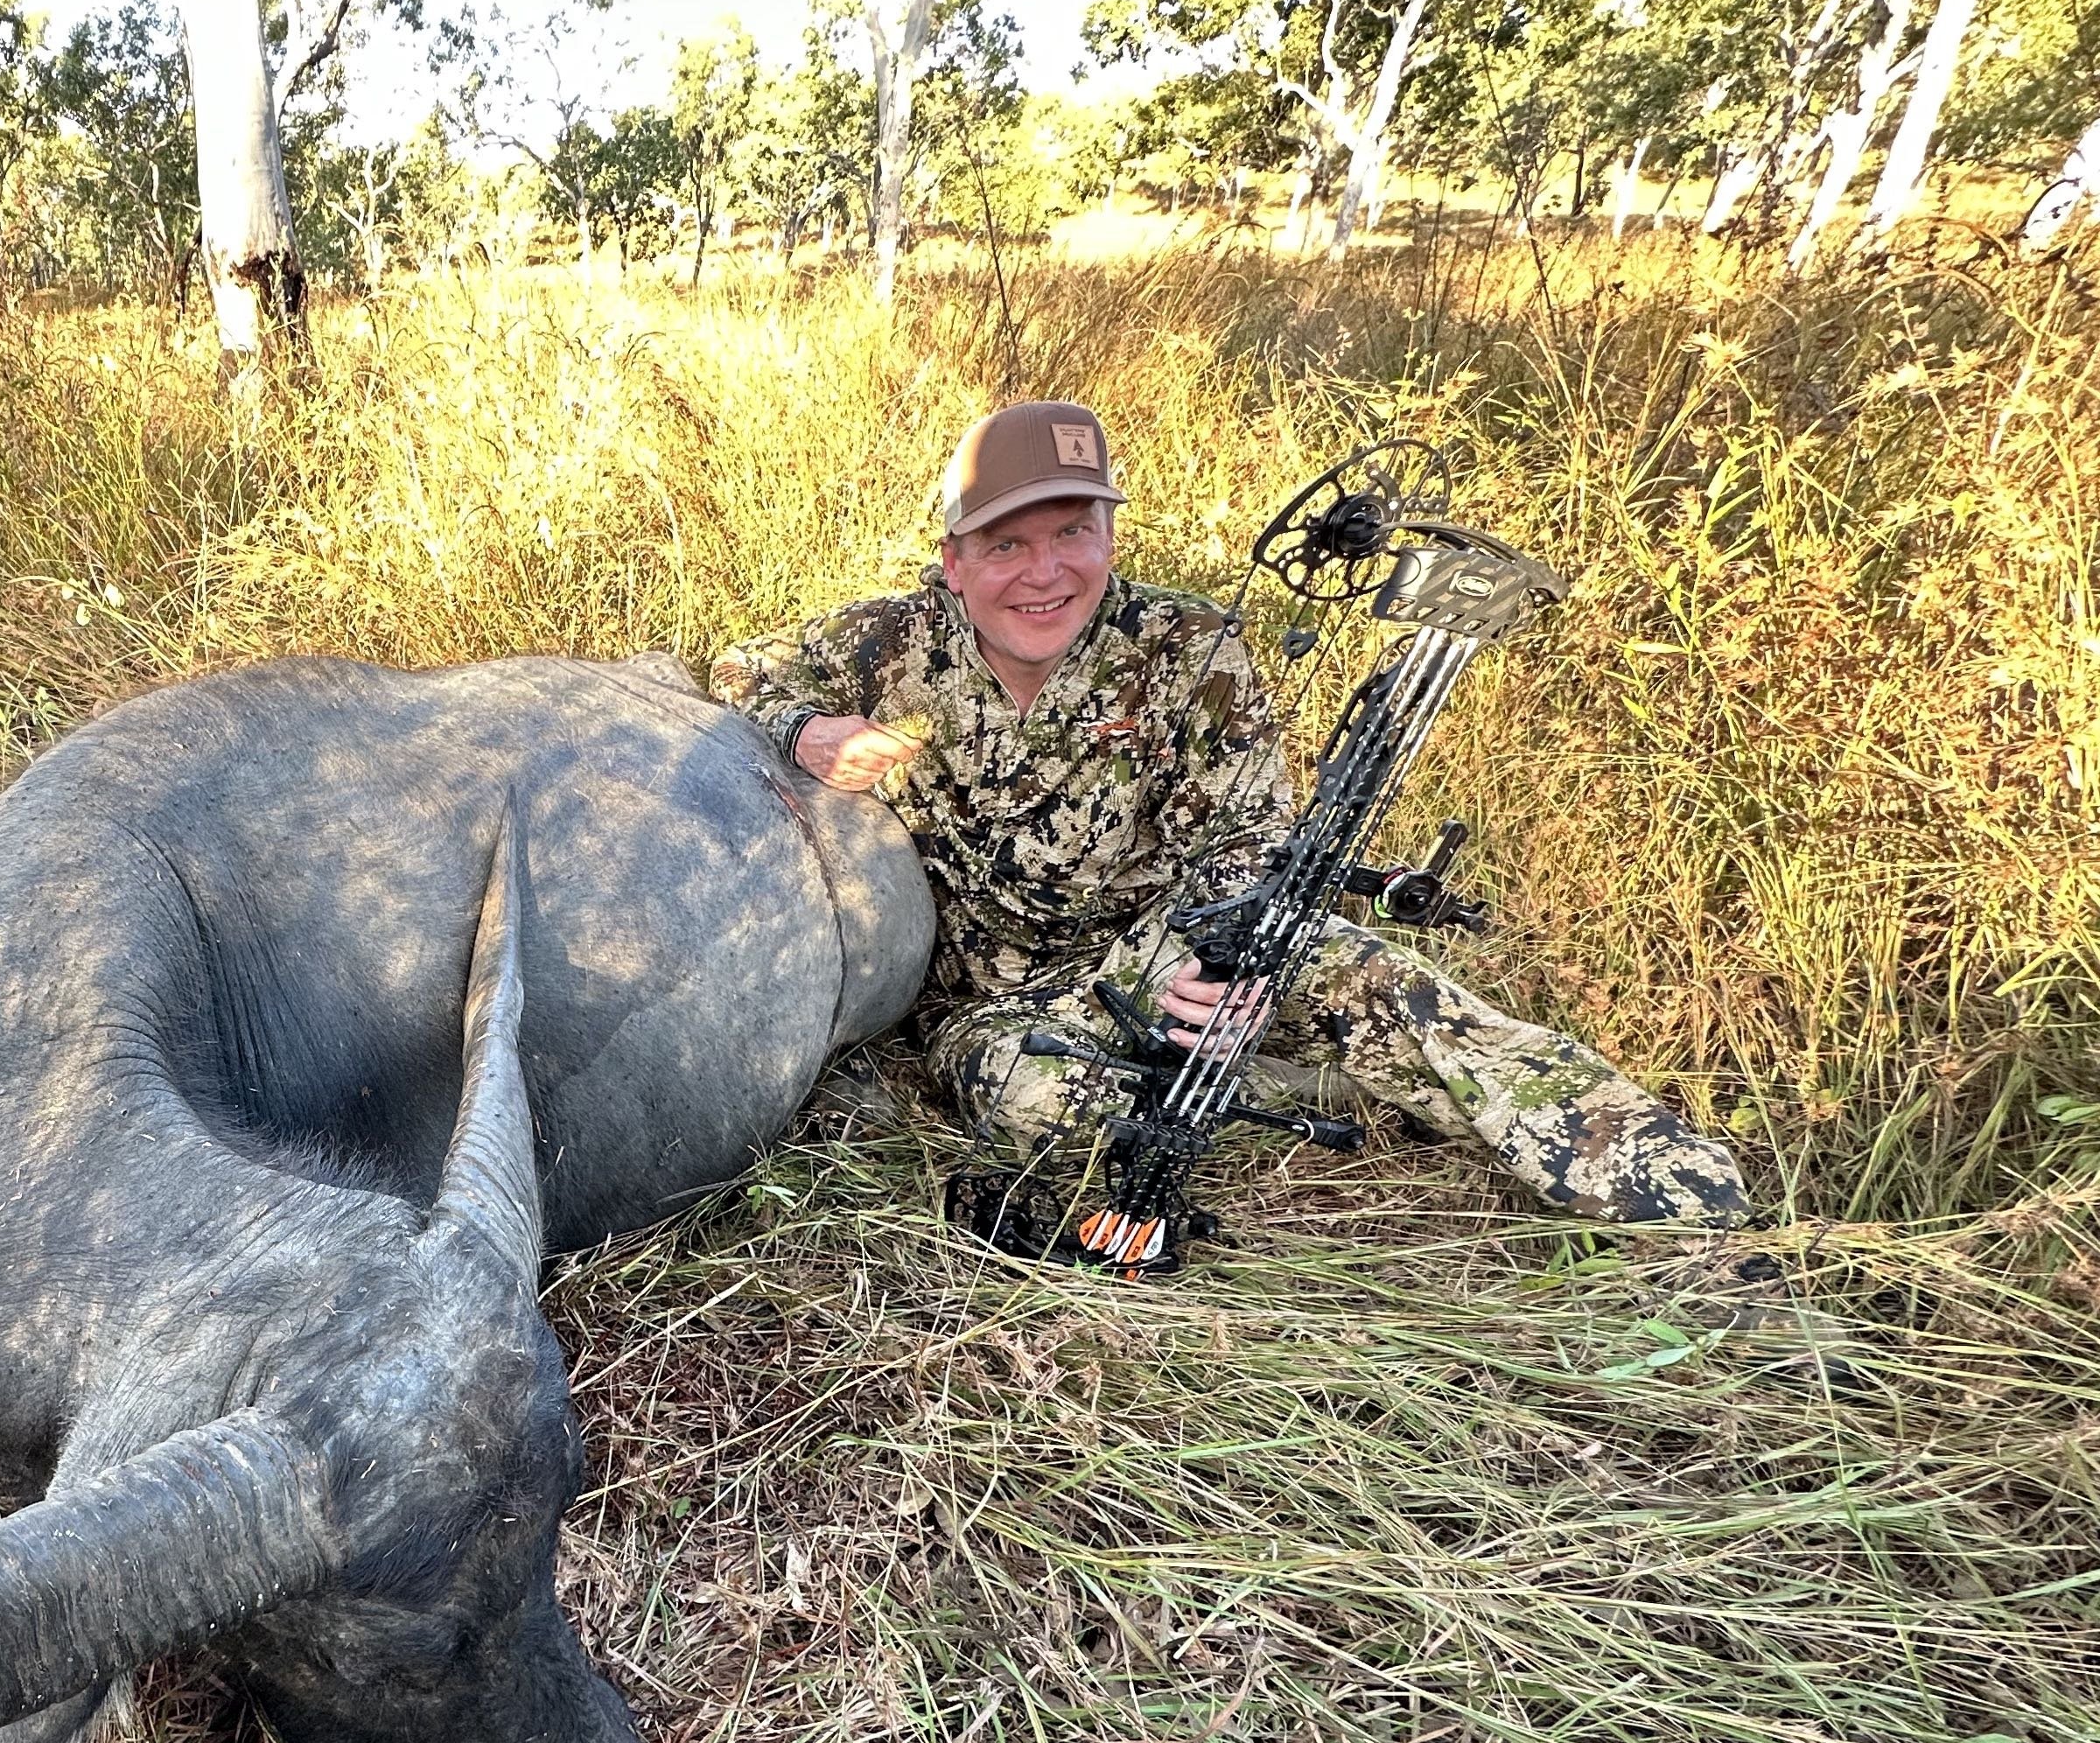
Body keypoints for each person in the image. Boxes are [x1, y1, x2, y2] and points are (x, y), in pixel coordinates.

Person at [708, 398, 1752, 1230]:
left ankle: (1689, 1197)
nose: (1046, 573)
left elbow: (1250, 838)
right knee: (1033, 1105)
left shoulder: (1194, 645)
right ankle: (1312, 1088)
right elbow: (739, 667)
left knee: (1379, 978)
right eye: (1008, 546)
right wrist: (806, 728)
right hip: (998, 1002)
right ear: (956, 562)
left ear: (1110, 536)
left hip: (1177, 945)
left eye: (1074, 533)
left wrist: (1225, 966)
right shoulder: (891, 638)